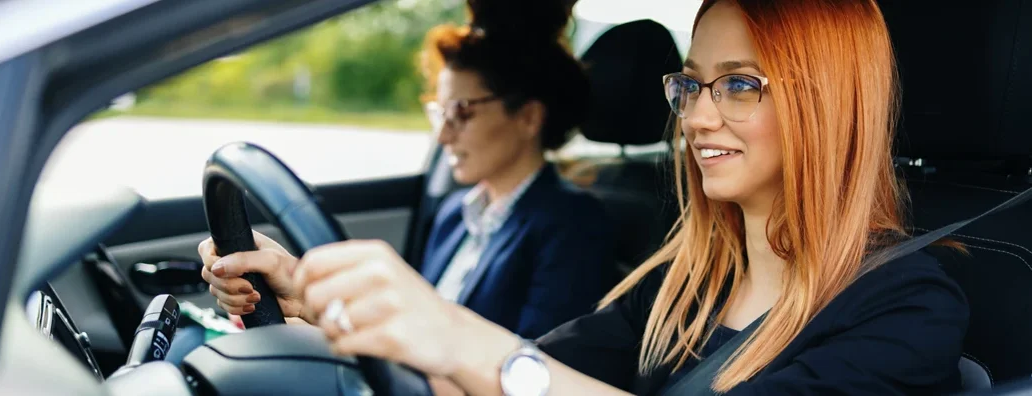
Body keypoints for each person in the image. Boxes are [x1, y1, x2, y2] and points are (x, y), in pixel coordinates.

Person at [199, 0, 971, 394]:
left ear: (826, 102)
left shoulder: (909, 307)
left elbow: (501, 364)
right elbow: (523, 372)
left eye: (739, 85)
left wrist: (471, 345)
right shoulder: (682, 285)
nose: (698, 116)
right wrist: (312, 296)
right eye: (693, 84)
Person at [413, 0, 617, 338]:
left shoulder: (573, 227)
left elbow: (540, 368)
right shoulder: (454, 214)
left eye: (462, 112)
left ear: (528, 117)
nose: (444, 135)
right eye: (440, 113)